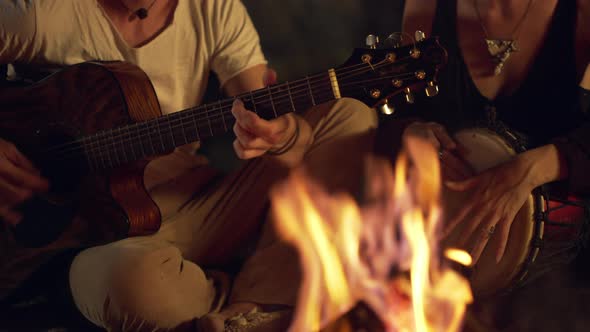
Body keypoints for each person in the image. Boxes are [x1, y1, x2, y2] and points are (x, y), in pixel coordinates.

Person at [0, 0, 377, 330]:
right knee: (128, 283)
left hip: (201, 205)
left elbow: (275, 131)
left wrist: (283, 134)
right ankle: (239, 302)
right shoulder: (41, 15)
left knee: (348, 116)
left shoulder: (216, 9)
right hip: (103, 240)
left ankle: (255, 306)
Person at [391, 0, 590, 328]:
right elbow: (400, 110)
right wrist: (411, 132)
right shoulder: (427, 7)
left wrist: (533, 168)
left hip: (562, 276)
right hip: (440, 254)